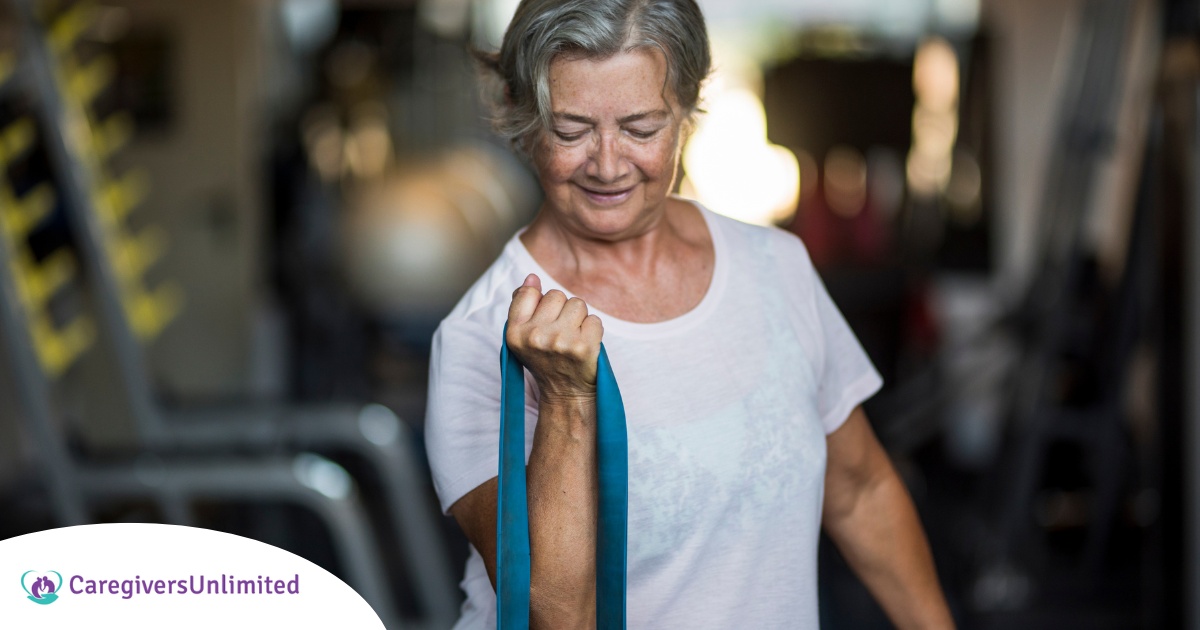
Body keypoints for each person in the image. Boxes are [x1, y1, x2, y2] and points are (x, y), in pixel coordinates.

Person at [424, 0, 955, 627]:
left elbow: (860, 489)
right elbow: (557, 614)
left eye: (642, 128)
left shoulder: (774, 266)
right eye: (570, 130)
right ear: (523, 116)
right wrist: (567, 402)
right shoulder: (479, 336)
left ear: (688, 110)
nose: (608, 163)